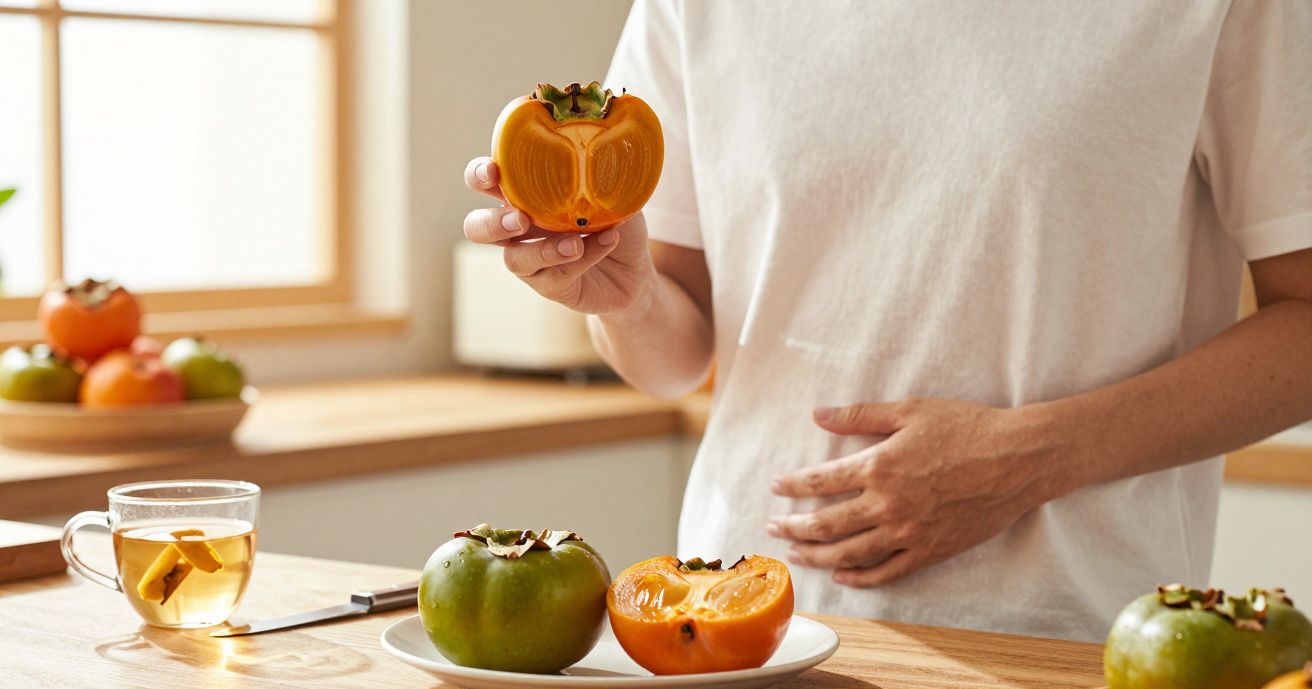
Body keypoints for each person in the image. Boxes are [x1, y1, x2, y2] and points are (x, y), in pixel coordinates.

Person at [462, 0, 1312, 641]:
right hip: (739, 631)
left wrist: (1032, 457)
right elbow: (678, 353)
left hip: (1071, 640)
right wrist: (628, 298)